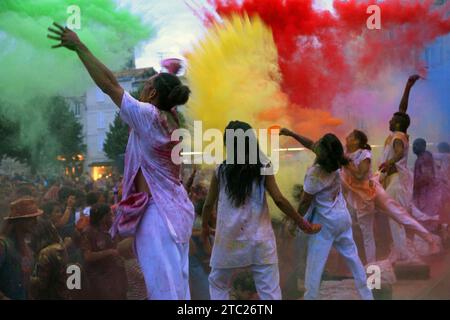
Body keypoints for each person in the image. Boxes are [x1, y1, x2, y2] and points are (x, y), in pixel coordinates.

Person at [48, 23, 195, 299]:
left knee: (163, 292)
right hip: (178, 212)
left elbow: (109, 84)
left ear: (152, 95)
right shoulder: (172, 120)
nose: (139, 93)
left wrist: (80, 46)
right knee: (178, 289)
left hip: (159, 214)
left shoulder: (149, 116)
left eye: (145, 87)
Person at [202, 121, 321, 300]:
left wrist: (205, 228)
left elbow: (208, 205)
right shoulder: (263, 166)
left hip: (228, 239)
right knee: (270, 291)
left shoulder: (221, 170)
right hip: (260, 240)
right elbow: (279, 200)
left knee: (218, 283)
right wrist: (302, 222)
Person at [280, 130, 373, 300]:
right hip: (343, 218)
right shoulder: (337, 159)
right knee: (354, 259)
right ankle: (367, 296)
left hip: (324, 225)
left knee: (314, 267)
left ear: (321, 153)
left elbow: (304, 203)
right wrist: (292, 134)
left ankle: (311, 298)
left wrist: (293, 223)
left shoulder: (315, 174)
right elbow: (310, 143)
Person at [378, 75, 439, 260]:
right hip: (399, 181)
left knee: (396, 219)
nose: (388, 121)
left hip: (396, 182)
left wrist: (389, 162)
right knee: (401, 216)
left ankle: (406, 254)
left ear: (396, 124)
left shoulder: (397, 137)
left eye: (391, 120)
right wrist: (408, 87)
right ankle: (411, 247)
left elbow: (397, 152)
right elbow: (402, 110)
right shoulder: (401, 132)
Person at [80, 204, 127, 299]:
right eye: (110, 214)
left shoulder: (109, 227)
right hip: (98, 276)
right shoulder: (88, 232)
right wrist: (109, 252)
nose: (112, 216)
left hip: (113, 272)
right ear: (103, 217)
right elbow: (87, 256)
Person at [0, 198, 42, 300]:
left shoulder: (27, 248)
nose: (36, 222)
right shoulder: (3, 245)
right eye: (31, 219)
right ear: (19, 221)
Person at [29, 219, 72, 300]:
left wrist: (27, 278)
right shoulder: (60, 247)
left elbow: (42, 283)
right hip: (63, 294)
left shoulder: (45, 252)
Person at [412, 138, 440, 229]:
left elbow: (427, 176)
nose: (414, 147)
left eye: (416, 145)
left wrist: (414, 185)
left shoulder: (424, 158)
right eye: (413, 145)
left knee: (428, 221)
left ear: (423, 146)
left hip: (427, 195)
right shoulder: (423, 157)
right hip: (425, 195)